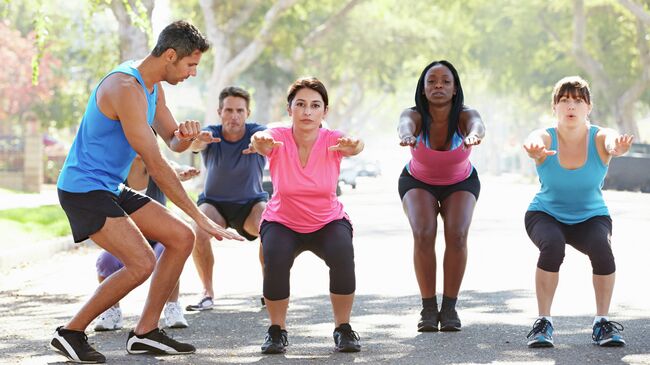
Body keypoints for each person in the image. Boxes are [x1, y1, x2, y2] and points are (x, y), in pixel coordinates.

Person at [52, 20, 243, 364]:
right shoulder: (125, 87)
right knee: (140, 262)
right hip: (84, 188)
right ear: (170, 55)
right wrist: (202, 217)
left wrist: (186, 137)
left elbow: (172, 140)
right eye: (190, 65)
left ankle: (145, 333)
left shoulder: (153, 87)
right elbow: (155, 163)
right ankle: (71, 332)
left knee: (181, 238)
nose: (193, 73)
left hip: (109, 185)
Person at [250, 77, 364, 354]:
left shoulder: (333, 139)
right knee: (274, 258)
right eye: (300, 104)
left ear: (325, 111)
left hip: (327, 220)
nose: (307, 111)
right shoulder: (277, 136)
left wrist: (355, 146)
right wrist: (259, 140)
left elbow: (356, 144)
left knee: (342, 252)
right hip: (282, 221)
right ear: (289, 109)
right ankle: (276, 330)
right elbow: (260, 140)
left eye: (315, 105)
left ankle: (343, 328)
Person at [523, 76, 632, 348]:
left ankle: (602, 323)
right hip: (545, 214)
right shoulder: (546, 137)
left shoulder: (599, 137)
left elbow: (610, 141)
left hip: (591, 216)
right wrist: (533, 146)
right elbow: (534, 137)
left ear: (588, 107)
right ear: (555, 107)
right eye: (564, 100)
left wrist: (615, 147)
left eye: (577, 101)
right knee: (553, 246)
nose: (570, 106)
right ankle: (543, 322)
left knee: (601, 248)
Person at [397, 60, 485, 332]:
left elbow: (477, 125)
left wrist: (474, 136)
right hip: (417, 181)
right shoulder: (414, 115)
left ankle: (449, 308)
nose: (438, 86)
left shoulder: (464, 115)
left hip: (461, 182)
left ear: (455, 88)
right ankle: (428, 308)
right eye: (431, 81)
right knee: (424, 233)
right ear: (422, 89)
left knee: (457, 234)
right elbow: (404, 125)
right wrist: (406, 136)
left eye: (446, 81)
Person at [185, 86, 268, 312]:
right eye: (229, 110)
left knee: (271, 228)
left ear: (247, 113)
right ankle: (207, 292)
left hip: (251, 205)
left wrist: (260, 144)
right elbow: (195, 144)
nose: (234, 115)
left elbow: (267, 141)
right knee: (198, 231)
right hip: (215, 205)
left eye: (240, 110)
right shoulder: (210, 134)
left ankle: (270, 290)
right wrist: (196, 140)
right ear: (220, 111)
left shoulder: (258, 132)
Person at [94, 155, 199, 331]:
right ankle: (112, 311)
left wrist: (183, 172)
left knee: (169, 252)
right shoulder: (118, 171)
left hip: (158, 237)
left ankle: (172, 306)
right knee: (106, 261)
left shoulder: (156, 166)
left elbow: (174, 169)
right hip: (128, 238)